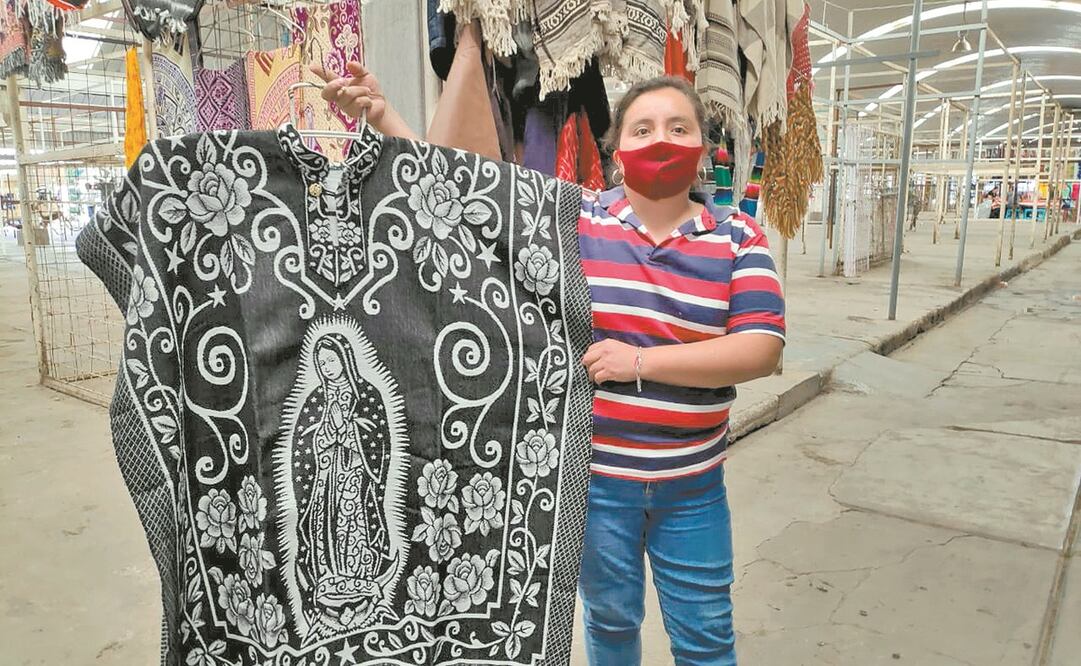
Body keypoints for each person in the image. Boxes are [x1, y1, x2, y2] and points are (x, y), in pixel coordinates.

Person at [313, 61, 786, 666]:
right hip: (596, 487)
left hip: (691, 487)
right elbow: (457, 198)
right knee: (611, 624)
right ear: (616, 150)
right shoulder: (576, 220)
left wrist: (640, 360)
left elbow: (761, 349)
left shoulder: (737, 237)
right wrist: (381, 118)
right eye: (642, 130)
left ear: (702, 146)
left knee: (706, 636)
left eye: (677, 127)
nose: (661, 140)